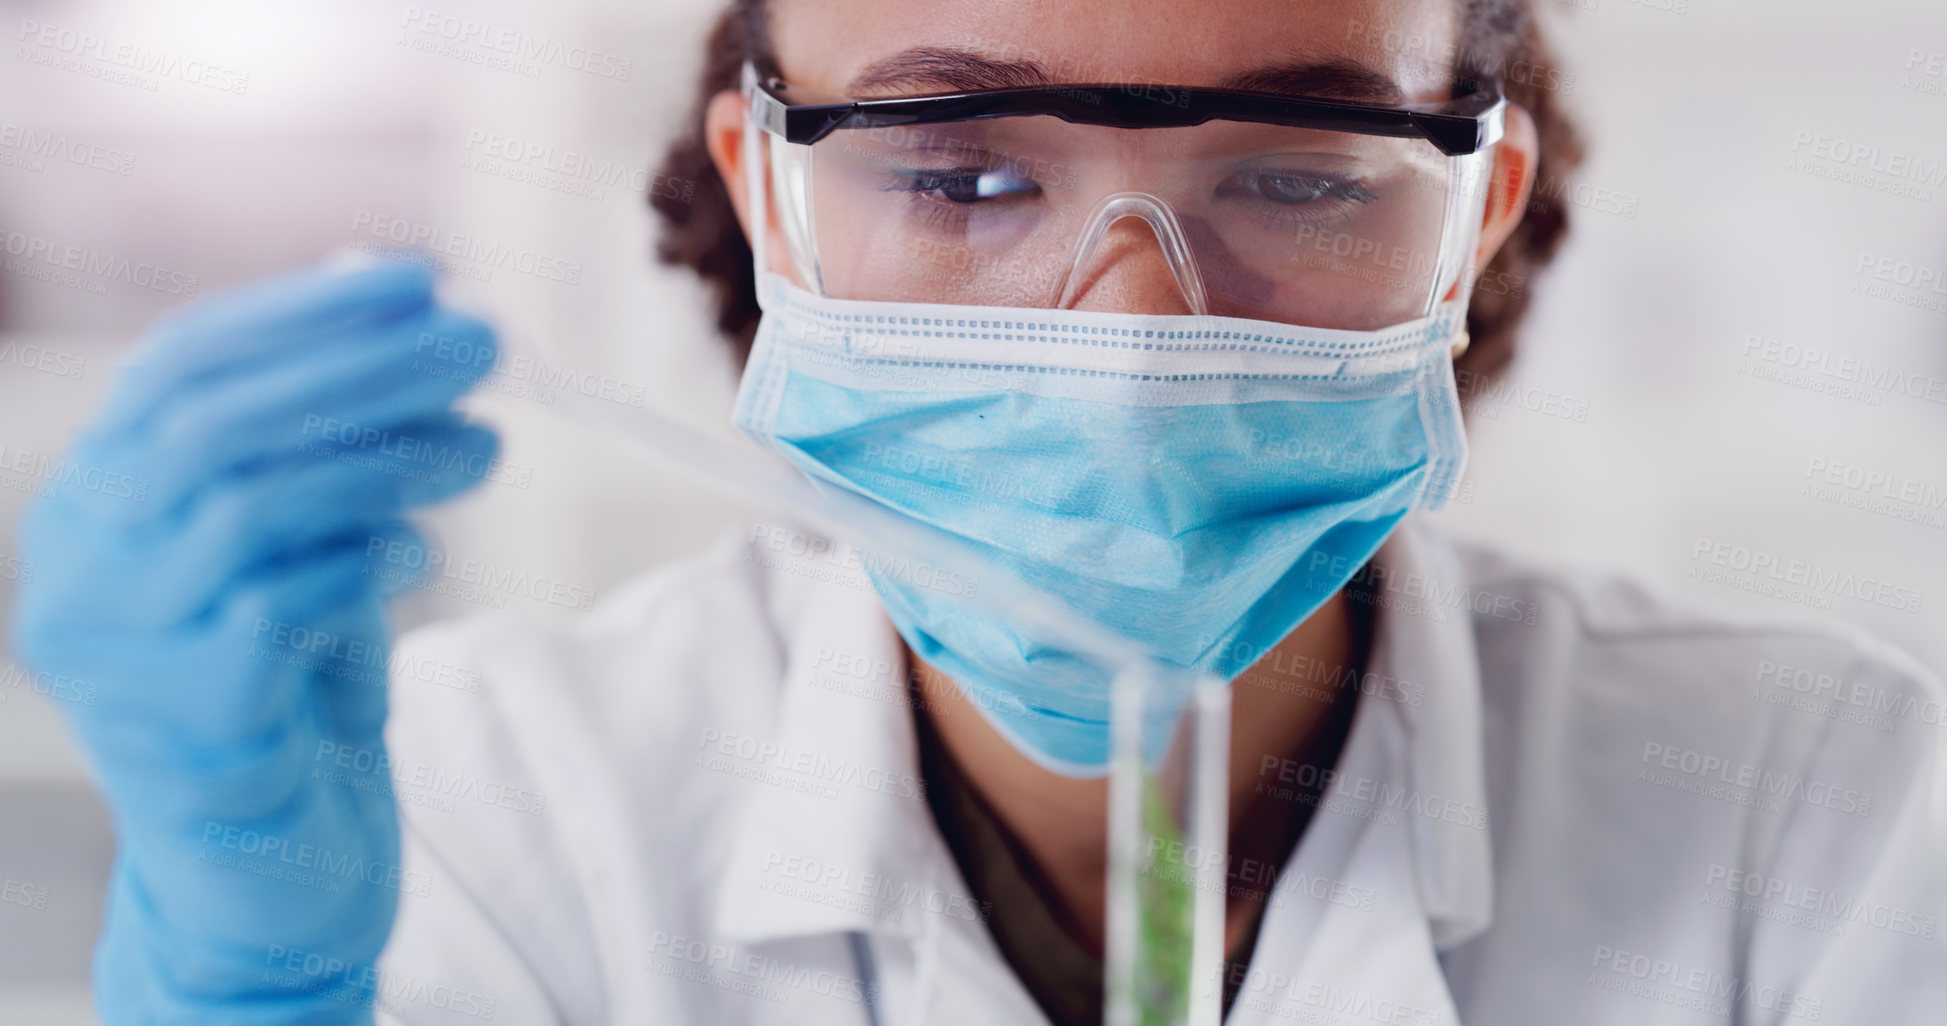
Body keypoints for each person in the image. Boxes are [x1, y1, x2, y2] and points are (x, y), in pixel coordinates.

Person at [12, 0, 1944, 1023]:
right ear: (772, 199)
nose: (1125, 340)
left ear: (1476, 217)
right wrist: (248, 999)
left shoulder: (1820, 812)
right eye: (956, 172)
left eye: (1295, 173)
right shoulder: (506, 806)